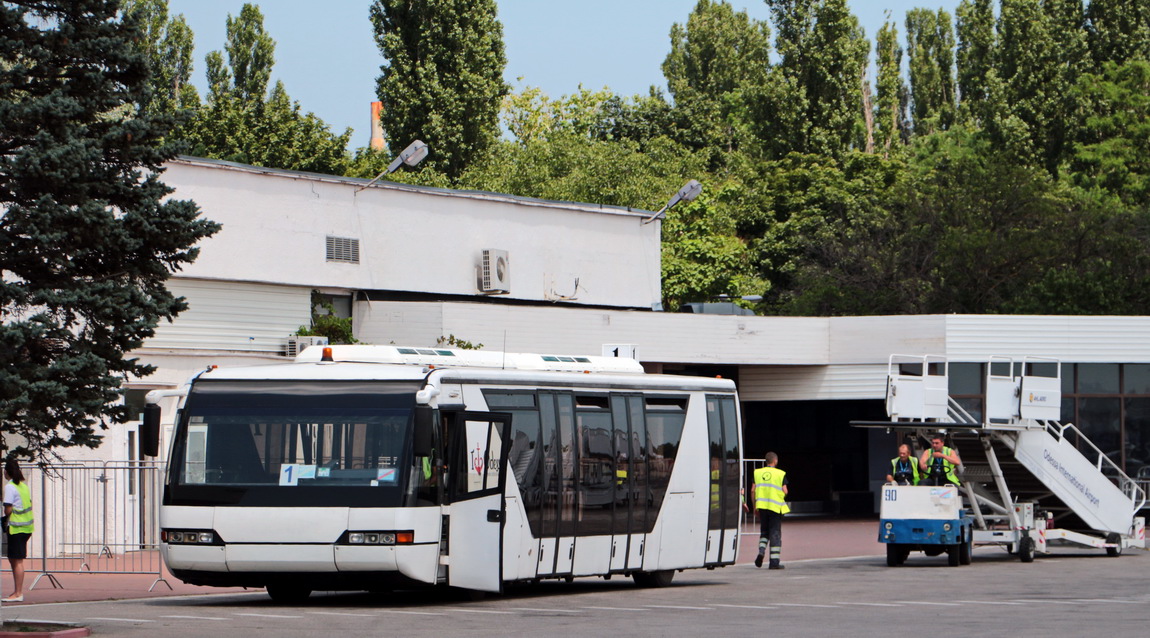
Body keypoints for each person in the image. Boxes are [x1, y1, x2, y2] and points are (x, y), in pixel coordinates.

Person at [3, 458, 34, 602]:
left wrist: (6, 516)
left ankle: (18, 593)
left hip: (16, 527)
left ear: (6, 472)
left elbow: (8, 508)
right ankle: (17, 592)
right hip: (27, 526)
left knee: (16, 561)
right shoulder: (23, 485)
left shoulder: (10, 486)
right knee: (16, 560)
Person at [752, 451, 789, 570]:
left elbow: (753, 490)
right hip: (775, 508)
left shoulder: (757, 473)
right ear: (775, 461)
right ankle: (774, 562)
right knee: (775, 534)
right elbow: (785, 491)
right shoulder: (780, 474)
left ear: (766, 461)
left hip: (762, 507)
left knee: (764, 533)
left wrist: (755, 506)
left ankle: (761, 551)